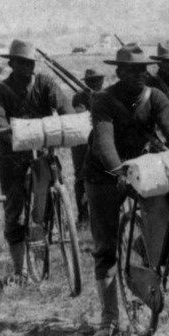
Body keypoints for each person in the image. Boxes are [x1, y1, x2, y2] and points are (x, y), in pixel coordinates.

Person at [84, 45, 169, 336]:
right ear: (118, 72)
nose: (140, 75)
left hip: (142, 169)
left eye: (143, 69)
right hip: (105, 174)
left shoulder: (155, 97)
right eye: (132, 70)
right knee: (106, 245)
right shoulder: (103, 99)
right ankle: (110, 318)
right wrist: (119, 172)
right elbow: (105, 142)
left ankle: (139, 261)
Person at [0, 39, 72, 287]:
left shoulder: (45, 84)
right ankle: (19, 270)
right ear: (11, 63)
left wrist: (67, 123)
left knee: (54, 181)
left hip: (43, 148)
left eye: (30, 62)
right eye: (21, 62)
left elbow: (64, 107)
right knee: (14, 206)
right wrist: (17, 139)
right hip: (11, 152)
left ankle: (54, 223)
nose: (27, 67)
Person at [70, 68, 105, 223]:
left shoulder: (106, 95)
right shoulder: (79, 97)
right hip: (82, 142)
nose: (97, 84)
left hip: (100, 139)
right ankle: (83, 215)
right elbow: (80, 116)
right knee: (81, 177)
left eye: (99, 81)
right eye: (93, 81)